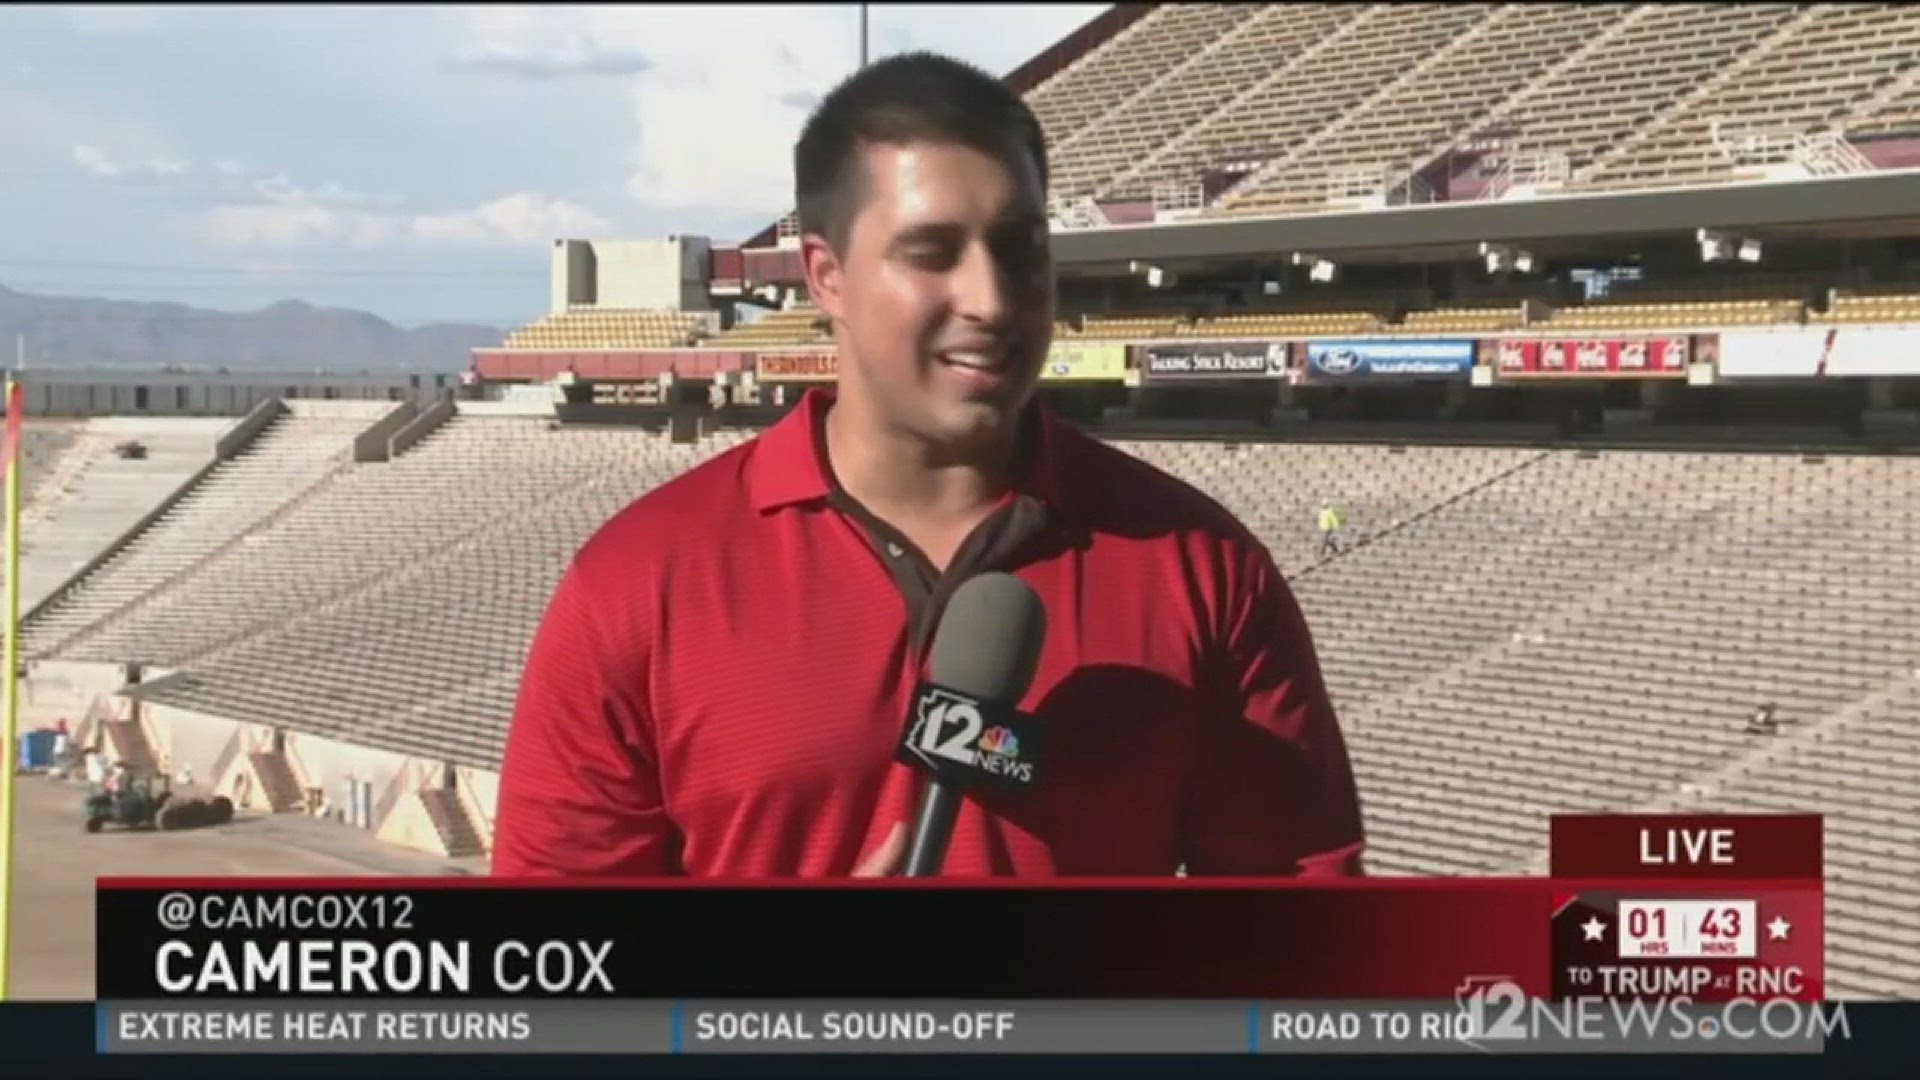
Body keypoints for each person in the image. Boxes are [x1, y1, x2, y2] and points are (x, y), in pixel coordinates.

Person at [493, 52, 1364, 879]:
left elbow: (1300, 941)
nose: (990, 300)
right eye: (932, 253)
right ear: (826, 277)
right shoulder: (637, 584)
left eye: (1020, 249)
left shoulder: (1206, 570)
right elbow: (556, 982)